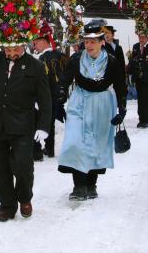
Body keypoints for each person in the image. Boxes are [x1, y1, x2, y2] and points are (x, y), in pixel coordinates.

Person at [0, 44, 52, 222]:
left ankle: (24, 198)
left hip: (23, 125)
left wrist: (43, 126)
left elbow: (45, 99)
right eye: (8, 50)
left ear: (23, 46)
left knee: (22, 165)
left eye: (15, 50)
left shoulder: (36, 66)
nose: (12, 54)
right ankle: (7, 207)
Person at [57, 20, 127, 201]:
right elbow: (64, 80)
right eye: (86, 41)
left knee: (97, 145)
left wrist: (122, 108)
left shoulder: (112, 61)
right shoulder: (76, 59)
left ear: (102, 41)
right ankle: (78, 185)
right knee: (75, 142)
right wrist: (61, 95)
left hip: (102, 104)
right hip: (79, 102)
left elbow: (120, 86)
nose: (88, 45)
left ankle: (91, 184)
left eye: (93, 41)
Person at [32, 26, 68, 158]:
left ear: (44, 41)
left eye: (37, 42)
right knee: (50, 122)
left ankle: (36, 152)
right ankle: (49, 149)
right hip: (57, 96)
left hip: (44, 96)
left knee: (38, 121)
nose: (35, 45)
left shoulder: (42, 59)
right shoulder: (61, 55)